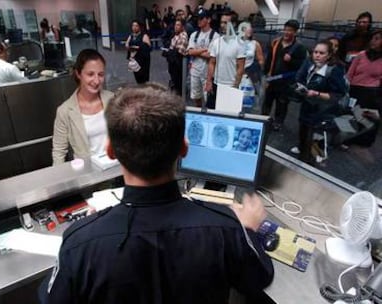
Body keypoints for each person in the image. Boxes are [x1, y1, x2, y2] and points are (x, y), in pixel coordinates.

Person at [39, 83, 274, 303]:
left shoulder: (79, 242)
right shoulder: (226, 229)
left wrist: (93, 229)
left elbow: (49, 298)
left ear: (111, 151)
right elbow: (260, 277)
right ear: (184, 148)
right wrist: (248, 231)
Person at [52, 49, 114, 165]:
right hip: (88, 174)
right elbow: (59, 152)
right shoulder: (65, 111)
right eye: (90, 74)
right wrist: (60, 179)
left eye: (100, 74)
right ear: (78, 74)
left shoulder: (112, 99)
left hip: (115, 168)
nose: (96, 81)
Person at [290, 40, 347, 164]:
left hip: (322, 112)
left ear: (329, 55)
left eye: (321, 53)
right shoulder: (311, 65)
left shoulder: (334, 70)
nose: (317, 55)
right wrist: (301, 89)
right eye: (315, 52)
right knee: (304, 134)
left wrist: (317, 94)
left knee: (314, 143)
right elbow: (302, 79)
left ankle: (309, 164)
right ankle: (303, 156)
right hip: (307, 107)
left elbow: (338, 94)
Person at [262, 19, 307, 131]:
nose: (286, 32)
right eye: (285, 29)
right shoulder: (276, 42)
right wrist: (264, 74)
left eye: (290, 30)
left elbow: (302, 65)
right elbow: (269, 59)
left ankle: (278, 122)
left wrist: (291, 60)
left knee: (282, 103)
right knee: (267, 101)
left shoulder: (299, 47)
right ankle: (263, 119)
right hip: (272, 78)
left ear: (295, 32)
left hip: (286, 82)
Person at [343, 29, 382, 148]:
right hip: (355, 89)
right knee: (350, 115)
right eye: (372, 38)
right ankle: (346, 140)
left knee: (366, 117)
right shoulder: (361, 55)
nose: (373, 41)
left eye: (377, 39)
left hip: (371, 92)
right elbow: (349, 74)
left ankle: (362, 140)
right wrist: (346, 89)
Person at [206, 12, 245, 109]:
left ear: (234, 24)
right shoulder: (216, 42)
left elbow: (240, 68)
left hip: (231, 86)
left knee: (228, 118)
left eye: (225, 23)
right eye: (221, 22)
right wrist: (209, 82)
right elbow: (212, 63)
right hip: (216, 84)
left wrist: (235, 87)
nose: (222, 25)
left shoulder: (240, 44)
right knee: (211, 115)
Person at [187, 8, 220, 107]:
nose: (199, 21)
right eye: (198, 18)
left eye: (201, 18)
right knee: (196, 97)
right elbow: (189, 51)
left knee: (209, 100)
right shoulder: (194, 35)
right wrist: (203, 50)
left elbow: (210, 55)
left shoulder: (215, 36)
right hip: (195, 72)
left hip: (208, 74)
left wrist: (196, 51)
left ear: (208, 20)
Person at [239, 22, 265, 95]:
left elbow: (261, 60)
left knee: (247, 98)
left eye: (250, 28)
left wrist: (255, 69)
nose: (249, 30)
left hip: (249, 74)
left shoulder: (255, 43)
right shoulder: (235, 42)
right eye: (247, 28)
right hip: (236, 73)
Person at [165, 19, 188, 96]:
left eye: (178, 25)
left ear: (182, 27)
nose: (176, 27)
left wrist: (169, 52)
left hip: (178, 64)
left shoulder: (183, 35)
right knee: (174, 83)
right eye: (175, 25)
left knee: (178, 84)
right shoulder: (175, 35)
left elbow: (179, 51)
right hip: (173, 64)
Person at [125, 20, 151, 84]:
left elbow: (149, 47)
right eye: (133, 26)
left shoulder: (144, 35)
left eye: (136, 26)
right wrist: (129, 47)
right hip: (134, 59)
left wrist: (139, 47)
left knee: (143, 78)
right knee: (137, 77)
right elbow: (127, 44)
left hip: (143, 60)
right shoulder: (131, 35)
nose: (134, 27)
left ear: (139, 27)